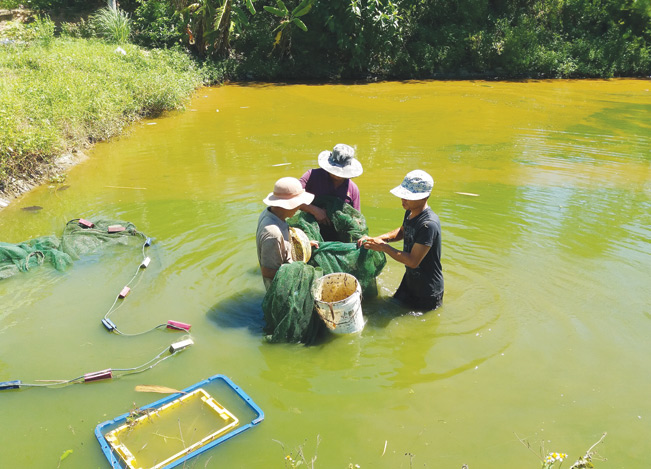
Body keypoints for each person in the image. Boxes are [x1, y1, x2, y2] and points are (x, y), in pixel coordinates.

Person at [357, 170, 443, 311]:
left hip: (428, 290)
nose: (403, 199)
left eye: (408, 196)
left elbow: (413, 261)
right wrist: (376, 239)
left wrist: (383, 247)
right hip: (409, 280)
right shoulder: (410, 211)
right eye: (403, 195)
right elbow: (403, 231)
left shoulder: (429, 225)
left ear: (424, 197)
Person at [256, 177, 316, 290]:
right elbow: (267, 272)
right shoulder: (273, 234)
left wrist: (304, 244)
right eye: (297, 204)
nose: (299, 208)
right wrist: (300, 274)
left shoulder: (270, 212)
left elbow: (283, 246)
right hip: (282, 289)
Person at [299, 143, 363, 229]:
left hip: (338, 234)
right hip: (309, 227)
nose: (338, 175)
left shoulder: (352, 189)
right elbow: (290, 198)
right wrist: (314, 210)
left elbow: (356, 218)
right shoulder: (311, 176)